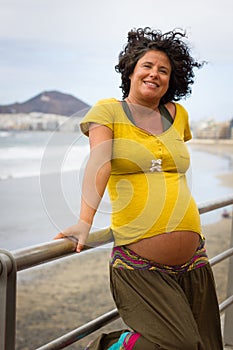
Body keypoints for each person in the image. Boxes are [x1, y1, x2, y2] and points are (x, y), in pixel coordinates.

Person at [55, 27, 223, 349]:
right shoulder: (108, 111)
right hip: (140, 263)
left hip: (194, 258)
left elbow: (171, 170)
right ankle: (110, 346)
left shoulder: (178, 114)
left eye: (164, 70)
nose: (154, 74)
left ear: (171, 80)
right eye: (147, 66)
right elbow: (100, 164)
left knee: (207, 345)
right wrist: (84, 221)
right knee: (181, 344)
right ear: (131, 70)